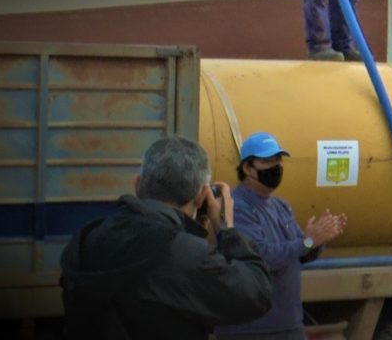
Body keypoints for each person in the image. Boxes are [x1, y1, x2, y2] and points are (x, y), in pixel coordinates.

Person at [59, 136, 272, 340]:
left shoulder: (90, 236)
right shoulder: (189, 256)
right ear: (201, 197)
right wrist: (225, 228)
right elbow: (257, 295)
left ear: (137, 184)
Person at [215, 132, 347, 340]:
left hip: (288, 324)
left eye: (278, 160)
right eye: (267, 161)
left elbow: (299, 253)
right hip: (253, 329)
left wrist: (319, 240)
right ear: (248, 168)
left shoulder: (280, 205)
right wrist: (308, 240)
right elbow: (260, 257)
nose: (275, 167)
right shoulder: (237, 207)